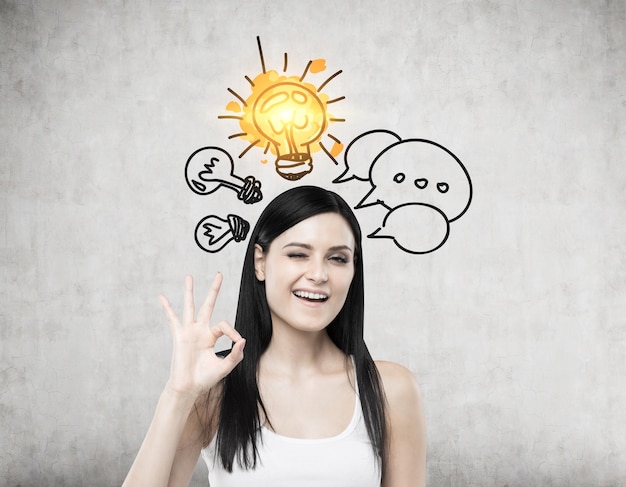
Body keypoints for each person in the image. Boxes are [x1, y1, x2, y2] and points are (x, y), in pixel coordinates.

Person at [123, 185, 426, 486]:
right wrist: (177, 395)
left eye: (337, 258)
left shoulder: (390, 389)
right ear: (260, 262)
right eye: (298, 254)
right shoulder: (214, 391)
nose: (319, 275)